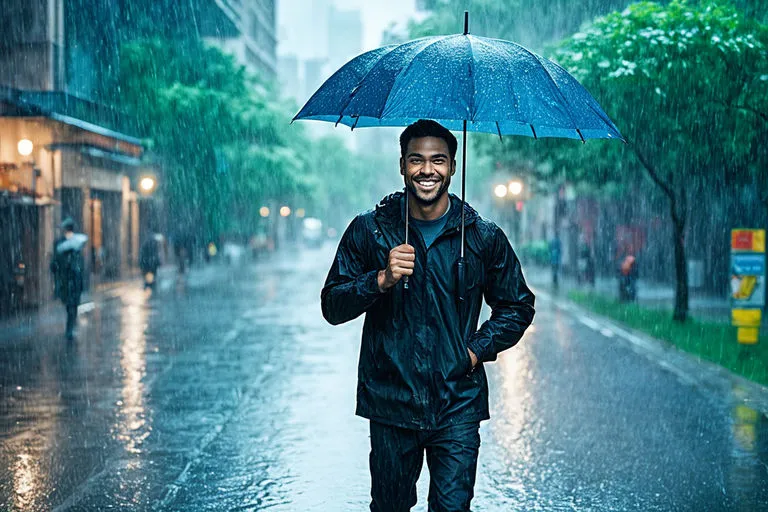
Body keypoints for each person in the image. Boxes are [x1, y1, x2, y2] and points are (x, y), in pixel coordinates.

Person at [321, 120, 535, 512]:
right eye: (416, 160)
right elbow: (332, 305)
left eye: (438, 160)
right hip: (390, 401)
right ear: (401, 165)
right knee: (389, 507)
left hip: (457, 401)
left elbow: (518, 305)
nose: (427, 170)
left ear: (453, 166)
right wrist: (380, 279)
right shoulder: (370, 231)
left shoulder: (483, 237)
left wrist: (474, 351)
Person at [50, 218, 88, 340]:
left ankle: (70, 328)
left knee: (72, 305)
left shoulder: (76, 244)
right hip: (66, 280)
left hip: (73, 280)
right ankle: (70, 326)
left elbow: (79, 264)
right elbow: (55, 263)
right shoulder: (61, 244)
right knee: (70, 305)